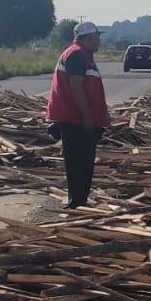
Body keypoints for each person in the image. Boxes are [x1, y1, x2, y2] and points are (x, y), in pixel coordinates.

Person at [46, 21, 109, 210]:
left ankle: (80, 200)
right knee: (78, 163)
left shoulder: (83, 55)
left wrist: (102, 113)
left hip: (78, 119)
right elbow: (75, 85)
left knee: (83, 163)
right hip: (76, 121)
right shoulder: (77, 55)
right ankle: (77, 202)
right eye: (97, 36)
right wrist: (88, 117)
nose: (99, 40)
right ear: (87, 38)